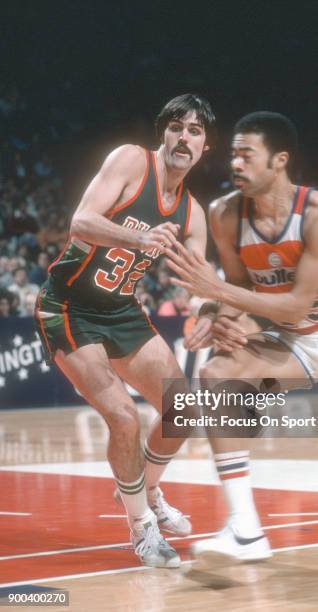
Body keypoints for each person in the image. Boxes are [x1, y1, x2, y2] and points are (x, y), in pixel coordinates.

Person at [166, 111, 318, 563]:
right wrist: (217, 315)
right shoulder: (224, 214)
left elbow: (298, 303)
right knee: (219, 372)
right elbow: (238, 287)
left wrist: (216, 291)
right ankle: (245, 530)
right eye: (232, 155)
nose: (234, 164)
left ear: (279, 160)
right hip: (290, 341)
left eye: (246, 155)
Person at [34, 94, 216, 568]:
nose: (184, 137)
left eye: (194, 131)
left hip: (120, 310)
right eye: (177, 126)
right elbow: (80, 222)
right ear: (164, 132)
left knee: (182, 408)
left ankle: (146, 492)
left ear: (204, 146)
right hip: (68, 306)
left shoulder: (194, 214)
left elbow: (199, 278)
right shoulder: (131, 161)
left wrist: (211, 310)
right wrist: (139, 237)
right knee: (124, 416)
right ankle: (141, 527)